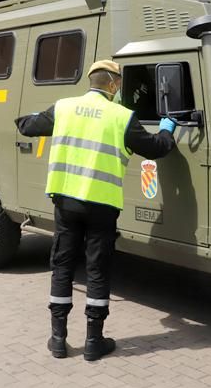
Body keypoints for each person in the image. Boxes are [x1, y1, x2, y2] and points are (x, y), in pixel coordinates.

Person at [15, 60, 177, 361]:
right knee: (97, 268)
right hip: (102, 205)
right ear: (114, 85)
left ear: (90, 81)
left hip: (67, 202)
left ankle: (59, 339)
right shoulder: (122, 116)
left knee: (62, 265)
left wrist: (39, 116)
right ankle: (94, 342)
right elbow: (156, 148)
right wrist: (168, 129)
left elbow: (26, 125)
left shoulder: (64, 108)